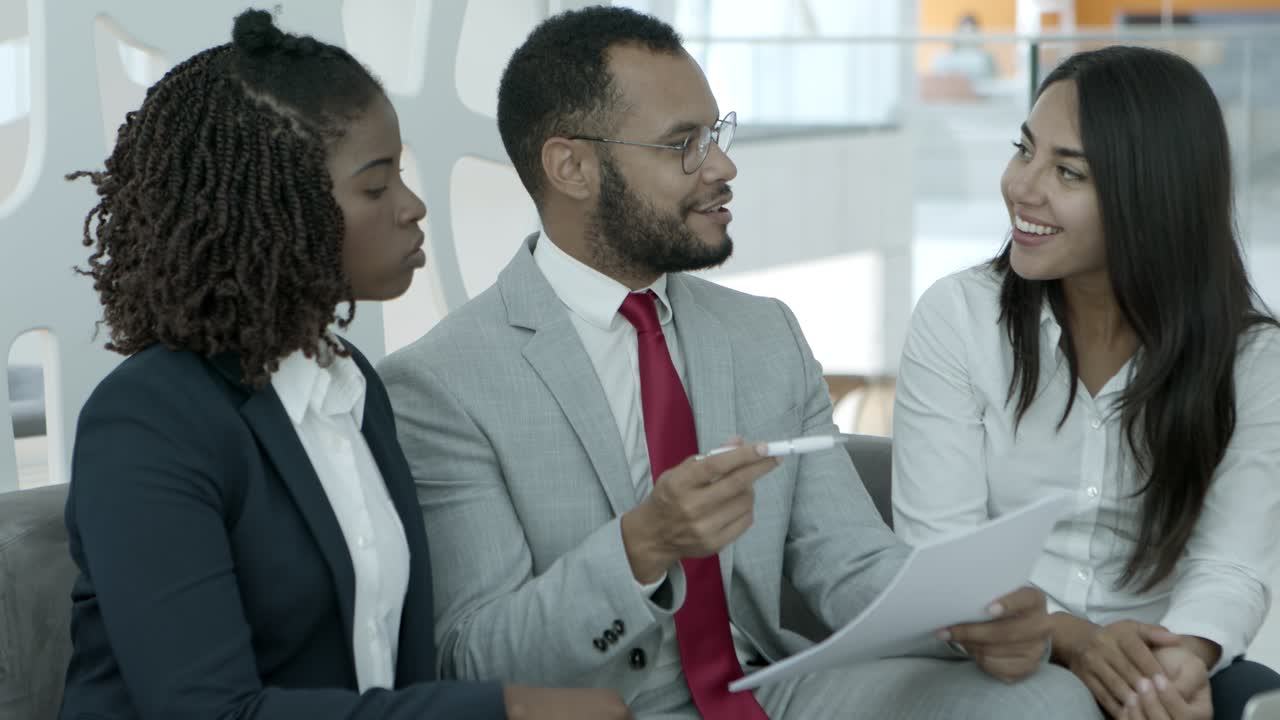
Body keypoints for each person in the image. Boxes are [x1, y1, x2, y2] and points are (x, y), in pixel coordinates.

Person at [377, 6, 1101, 719]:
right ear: (572, 167)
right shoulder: (442, 385)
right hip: (605, 708)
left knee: (1047, 702)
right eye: (683, 144)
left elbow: (847, 560)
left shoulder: (764, 334)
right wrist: (643, 546)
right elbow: (475, 659)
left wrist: (965, 616)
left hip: (773, 689)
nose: (722, 166)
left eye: (716, 133)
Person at [59, 9, 630, 719]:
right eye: (376, 186)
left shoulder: (351, 384)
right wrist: (503, 710)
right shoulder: (149, 421)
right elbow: (207, 713)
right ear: (276, 209)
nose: (413, 206)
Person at [892, 45, 1280, 720]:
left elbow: (1230, 563)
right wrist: (1077, 640)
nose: (1022, 186)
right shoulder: (958, 318)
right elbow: (945, 557)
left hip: (1156, 649)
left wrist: (1180, 663)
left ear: (1151, 196)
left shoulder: (1251, 358)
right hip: (997, 652)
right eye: (1025, 150)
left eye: (1067, 172)